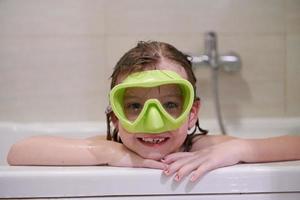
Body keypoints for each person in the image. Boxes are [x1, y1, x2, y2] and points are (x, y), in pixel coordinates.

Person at [7, 41, 300, 182]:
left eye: (171, 104)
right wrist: (111, 154)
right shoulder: (109, 146)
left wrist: (238, 149)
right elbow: (19, 152)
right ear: (115, 117)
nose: (153, 121)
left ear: (192, 113)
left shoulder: (204, 147)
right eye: (135, 106)